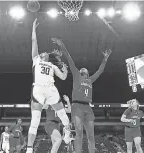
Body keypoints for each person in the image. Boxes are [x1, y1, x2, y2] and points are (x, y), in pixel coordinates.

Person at [51, 37, 111, 153]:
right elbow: (69, 58)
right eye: (81, 68)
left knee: (91, 135)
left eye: (85, 69)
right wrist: (62, 44)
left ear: (87, 73)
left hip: (88, 107)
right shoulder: (76, 75)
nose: (83, 68)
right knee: (78, 132)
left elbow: (100, 71)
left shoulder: (90, 79)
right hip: (77, 106)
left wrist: (105, 59)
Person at [26, 18, 71, 153]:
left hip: (51, 89)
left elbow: (63, 77)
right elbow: (34, 42)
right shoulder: (36, 60)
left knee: (63, 115)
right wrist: (33, 29)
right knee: (35, 121)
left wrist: (65, 69)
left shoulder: (52, 65)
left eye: (45, 52)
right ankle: (29, 149)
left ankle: (68, 133)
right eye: (42, 52)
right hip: (38, 89)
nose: (43, 52)